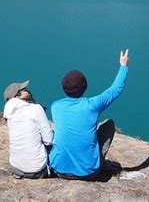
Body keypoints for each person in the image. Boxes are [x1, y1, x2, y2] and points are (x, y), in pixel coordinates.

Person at [49, 49, 129, 180]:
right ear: (84, 87)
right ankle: (100, 161)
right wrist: (123, 66)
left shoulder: (56, 106)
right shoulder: (92, 105)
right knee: (108, 124)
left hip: (58, 169)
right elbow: (115, 90)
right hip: (88, 172)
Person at [3, 80, 53, 178]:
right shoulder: (36, 108)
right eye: (24, 90)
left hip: (16, 167)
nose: (28, 91)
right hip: (38, 169)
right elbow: (49, 140)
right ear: (17, 96)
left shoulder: (9, 113)